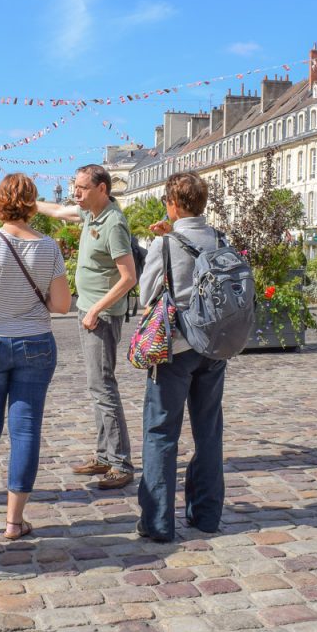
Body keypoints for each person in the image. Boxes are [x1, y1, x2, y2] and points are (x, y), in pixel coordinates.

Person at [0, 174, 71, 540]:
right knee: (26, 430)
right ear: (33, 204)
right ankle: (14, 522)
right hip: (35, 343)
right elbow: (63, 305)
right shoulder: (49, 247)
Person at [135, 172, 228, 543]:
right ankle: (206, 514)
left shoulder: (165, 244)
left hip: (174, 347)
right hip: (214, 347)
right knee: (209, 432)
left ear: (172, 204)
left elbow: (146, 295)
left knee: (160, 432)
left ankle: (158, 520)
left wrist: (159, 242)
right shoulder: (220, 239)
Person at [36, 165, 137, 490]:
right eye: (74, 187)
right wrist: (28, 202)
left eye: (81, 188)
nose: (75, 193)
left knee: (103, 386)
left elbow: (128, 278)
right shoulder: (91, 215)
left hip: (102, 317)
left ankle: (121, 463)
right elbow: (57, 211)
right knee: (96, 387)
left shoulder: (113, 223)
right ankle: (104, 456)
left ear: (102, 189)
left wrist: (95, 309)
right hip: (90, 312)